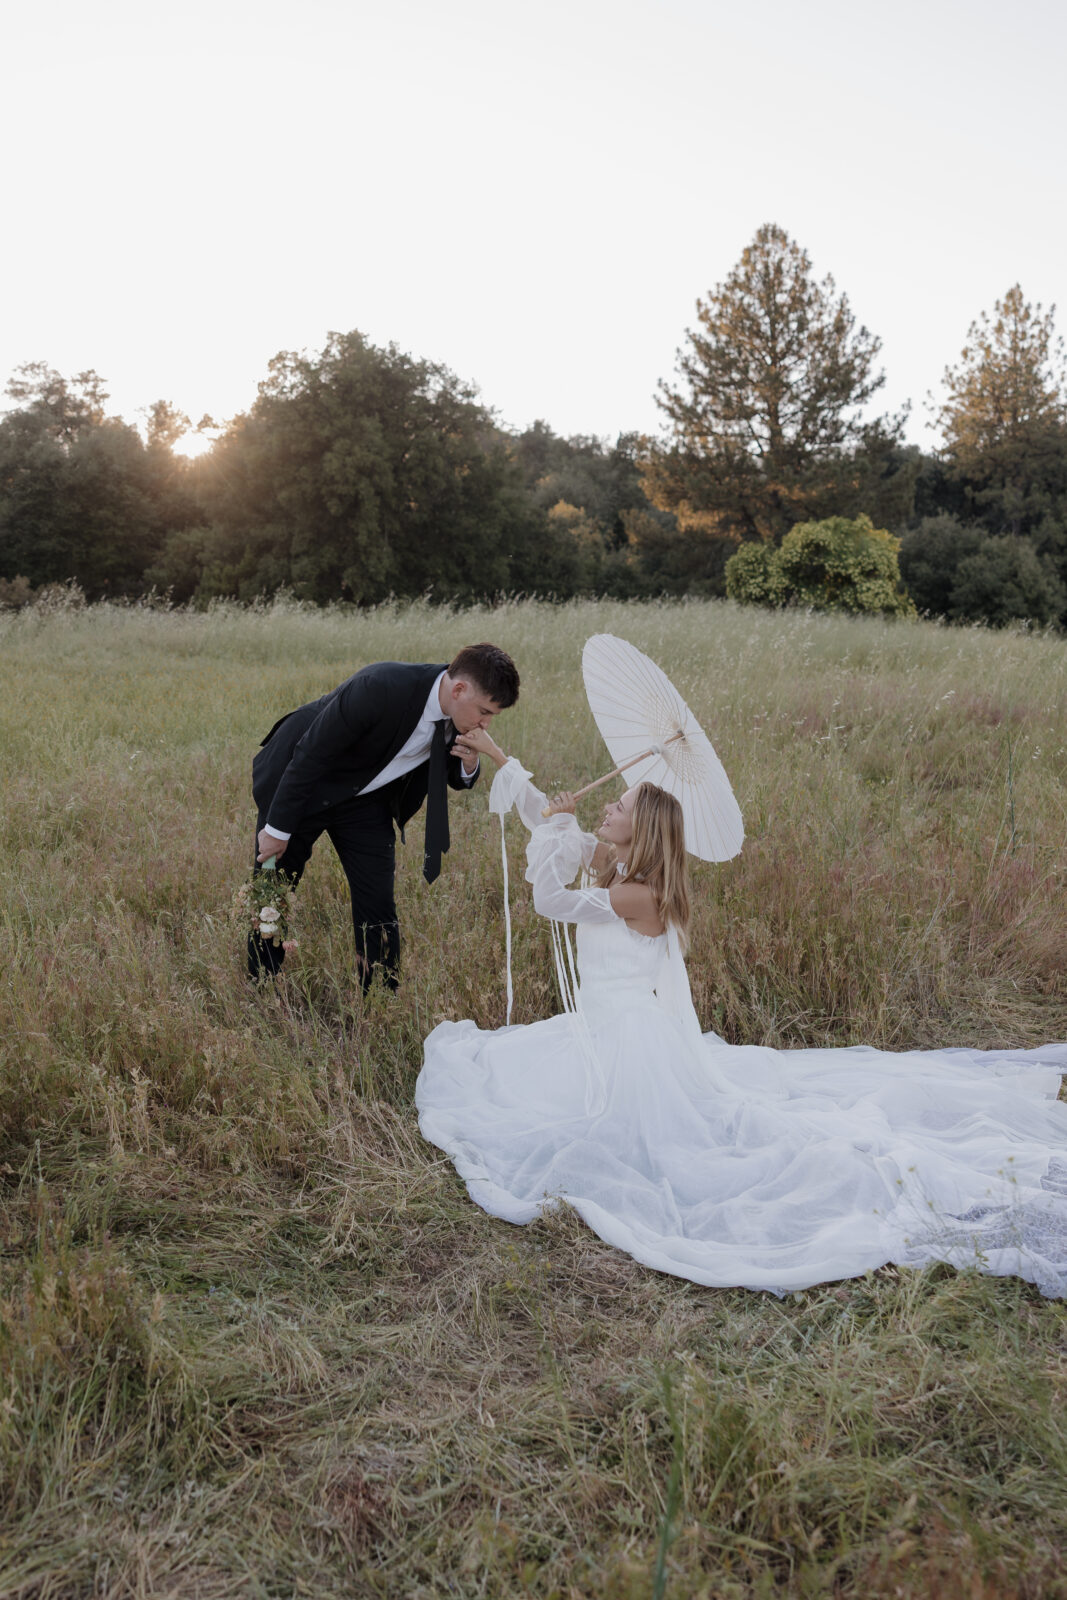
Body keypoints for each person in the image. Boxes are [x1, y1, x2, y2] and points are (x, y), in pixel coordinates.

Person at [416, 726, 1067, 1298]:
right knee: (511, 1081)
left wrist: (560, 827)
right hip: (600, 1024)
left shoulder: (642, 893)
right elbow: (541, 817)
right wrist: (502, 759)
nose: (606, 806)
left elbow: (550, 901)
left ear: (641, 830)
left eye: (618, 805)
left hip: (630, 1037)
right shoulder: (614, 862)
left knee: (639, 1138)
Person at [249, 643, 519, 990]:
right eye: (484, 712)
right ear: (459, 689)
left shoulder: (460, 716)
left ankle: (379, 994)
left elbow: (454, 776)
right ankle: (263, 984)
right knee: (273, 889)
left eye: (493, 715)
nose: (486, 723)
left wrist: (470, 763)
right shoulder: (380, 685)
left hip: (365, 800)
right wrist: (277, 829)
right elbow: (311, 754)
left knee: (377, 900)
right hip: (304, 784)